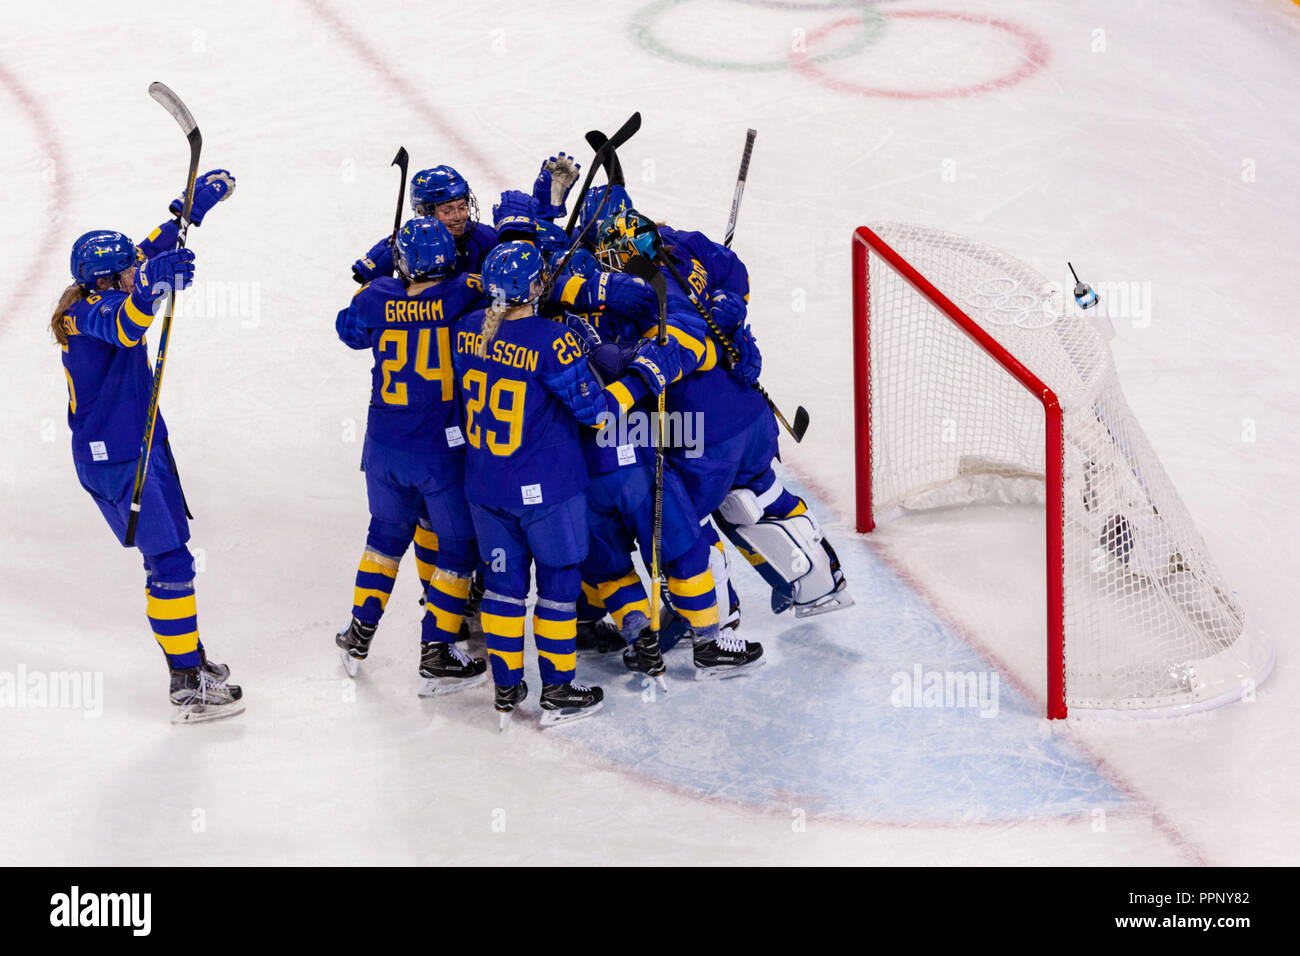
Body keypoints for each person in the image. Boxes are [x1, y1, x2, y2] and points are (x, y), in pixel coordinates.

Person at [453, 242, 674, 728]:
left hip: (486, 486)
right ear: (534, 288)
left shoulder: (466, 328)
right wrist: (644, 378)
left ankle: (507, 688)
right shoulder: (551, 339)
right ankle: (557, 689)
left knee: (503, 589)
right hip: (547, 490)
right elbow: (596, 412)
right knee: (558, 586)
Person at [51, 170, 242, 722]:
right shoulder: (83, 315)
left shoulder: (102, 285)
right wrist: (151, 287)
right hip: (117, 460)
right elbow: (128, 326)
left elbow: (150, 251)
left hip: (141, 443)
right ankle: (185, 683)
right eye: (128, 271)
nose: (136, 266)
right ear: (109, 281)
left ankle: (192, 661)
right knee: (169, 562)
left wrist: (187, 213)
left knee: (173, 550)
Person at [334, 217, 490, 695]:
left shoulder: (377, 295)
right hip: (438, 449)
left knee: (383, 539)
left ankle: (358, 635)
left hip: (382, 445)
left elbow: (349, 331)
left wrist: (379, 276)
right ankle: (437, 652)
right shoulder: (466, 291)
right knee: (458, 549)